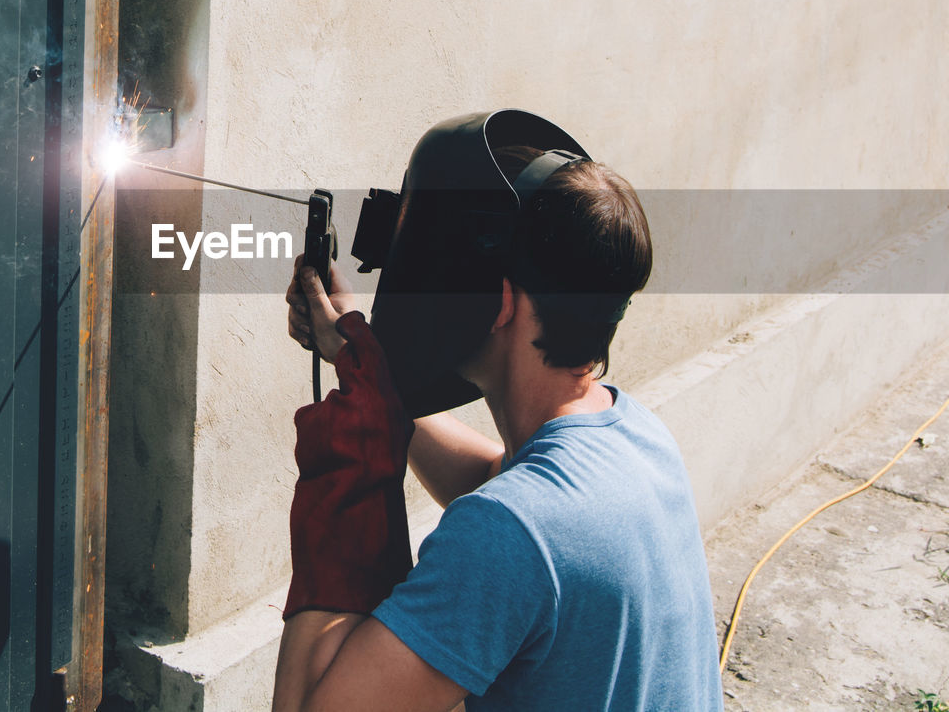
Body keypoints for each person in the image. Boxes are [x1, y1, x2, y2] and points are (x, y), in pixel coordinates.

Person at [271, 123, 723, 712]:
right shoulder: (636, 436)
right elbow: (499, 484)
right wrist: (366, 372)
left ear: (497, 303)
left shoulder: (510, 536)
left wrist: (351, 452)